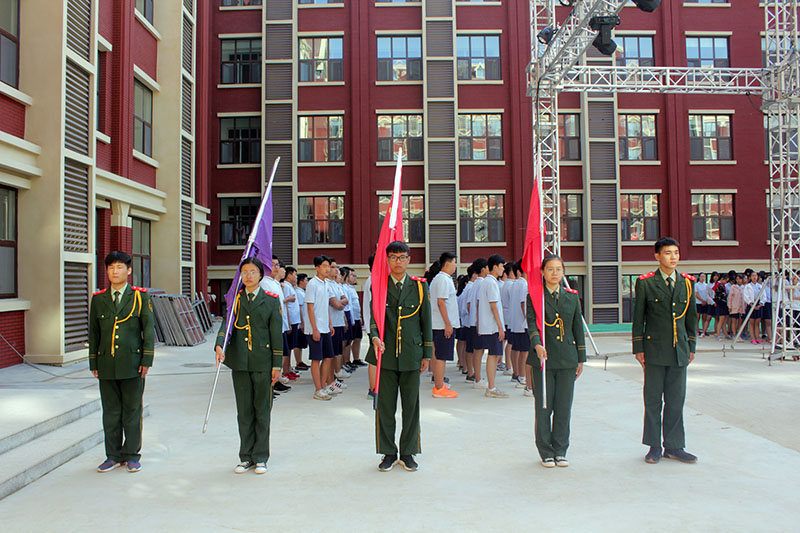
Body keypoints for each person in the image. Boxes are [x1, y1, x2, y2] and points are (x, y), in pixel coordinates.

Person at [632, 237, 698, 465]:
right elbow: (638, 318)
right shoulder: (646, 283)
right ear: (657, 256)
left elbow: (691, 319)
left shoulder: (687, 283)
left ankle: (674, 446)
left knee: (676, 400)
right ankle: (653, 446)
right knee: (653, 400)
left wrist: (691, 346)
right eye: (668, 253)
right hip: (654, 350)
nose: (673, 257)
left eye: (676, 253)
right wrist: (638, 348)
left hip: (679, 350)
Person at [368, 241, 433, 472]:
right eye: (394, 257)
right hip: (385, 355)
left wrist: (427, 353)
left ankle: (408, 452)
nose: (398, 261)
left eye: (402, 257)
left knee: (411, 406)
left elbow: (426, 321)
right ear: (387, 260)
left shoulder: (419, 287)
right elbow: (374, 318)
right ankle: (387, 452)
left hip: (411, 354)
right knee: (385, 407)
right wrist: (374, 337)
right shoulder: (379, 286)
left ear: (409, 260)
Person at [215, 257, 283, 475]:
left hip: (263, 362)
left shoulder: (271, 301)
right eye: (244, 272)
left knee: (262, 410)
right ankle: (245, 457)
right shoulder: (236, 300)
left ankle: (261, 456)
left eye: (252, 272)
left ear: (260, 275)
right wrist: (219, 345)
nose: (248, 276)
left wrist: (277, 364)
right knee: (244, 411)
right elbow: (226, 326)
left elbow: (276, 335)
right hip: (241, 363)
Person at [89, 251, 154, 473]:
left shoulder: (140, 297)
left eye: (119, 267)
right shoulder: (98, 299)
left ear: (129, 270)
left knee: (132, 411)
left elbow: (148, 330)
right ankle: (113, 455)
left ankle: (132, 454)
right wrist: (94, 363)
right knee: (111, 412)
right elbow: (94, 333)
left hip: (133, 364)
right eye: (110, 268)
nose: (114, 272)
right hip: (107, 364)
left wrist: (147, 359)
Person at [526, 255, 585, 467]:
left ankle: (561, 449)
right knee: (544, 407)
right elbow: (531, 324)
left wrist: (581, 358)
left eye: (558, 269)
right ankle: (546, 451)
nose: (554, 273)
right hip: (544, 359)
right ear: (542, 272)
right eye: (550, 269)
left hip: (567, 359)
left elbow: (577, 328)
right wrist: (537, 343)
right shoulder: (535, 297)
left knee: (563, 407)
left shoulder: (571, 297)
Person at [304, 256, 336, 400]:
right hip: (314, 328)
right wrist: (315, 329)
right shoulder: (312, 284)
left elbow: (326, 306)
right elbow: (310, 308)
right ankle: (318, 389)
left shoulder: (326, 284)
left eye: (328, 266)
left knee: (328, 357)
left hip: (325, 327)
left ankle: (323, 386)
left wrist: (329, 324)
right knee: (316, 359)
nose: (327, 269)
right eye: (324, 266)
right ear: (317, 268)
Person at [429, 252, 460, 399]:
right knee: (441, 356)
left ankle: (439, 383)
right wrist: (448, 324)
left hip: (440, 324)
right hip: (442, 325)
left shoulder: (440, 279)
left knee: (439, 355)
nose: (455, 266)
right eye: (454, 262)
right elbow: (441, 302)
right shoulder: (443, 280)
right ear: (447, 264)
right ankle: (439, 388)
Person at [476, 254, 508, 398]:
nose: (503, 269)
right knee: (493, 356)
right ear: (495, 267)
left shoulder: (486, 282)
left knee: (494, 356)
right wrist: (501, 327)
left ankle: (492, 386)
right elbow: (494, 306)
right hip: (493, 326)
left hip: (489, 325)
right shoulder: (491, 283)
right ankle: (491, 387)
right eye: (502, 266)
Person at [293, 273, 310, 370]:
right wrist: (302, 322)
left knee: (301, 343)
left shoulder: (303, 292)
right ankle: (298, 361)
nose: (307, 282)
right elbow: (299, 308)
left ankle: (300, 361)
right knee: (298, 343)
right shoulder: (298, 293)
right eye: (306, 280)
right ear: (301, 281)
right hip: (301, 322)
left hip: (304, 321)